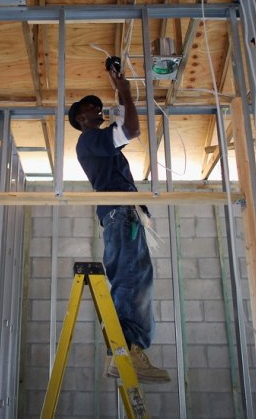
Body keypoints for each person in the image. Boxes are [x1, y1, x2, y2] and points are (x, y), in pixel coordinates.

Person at [67, 61, 170, 383]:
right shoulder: (89, 140)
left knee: (136, 278)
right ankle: (123, 350)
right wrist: (123, 88)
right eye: (89, 107)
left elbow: (125, 126)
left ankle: (129, 350)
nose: (96, 109)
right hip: (121, 213)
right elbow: (131, 130)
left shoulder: (98, 143)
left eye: (97, 105)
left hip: (124, 214)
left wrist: (120, 85)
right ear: (79, 119)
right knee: (130, 277)